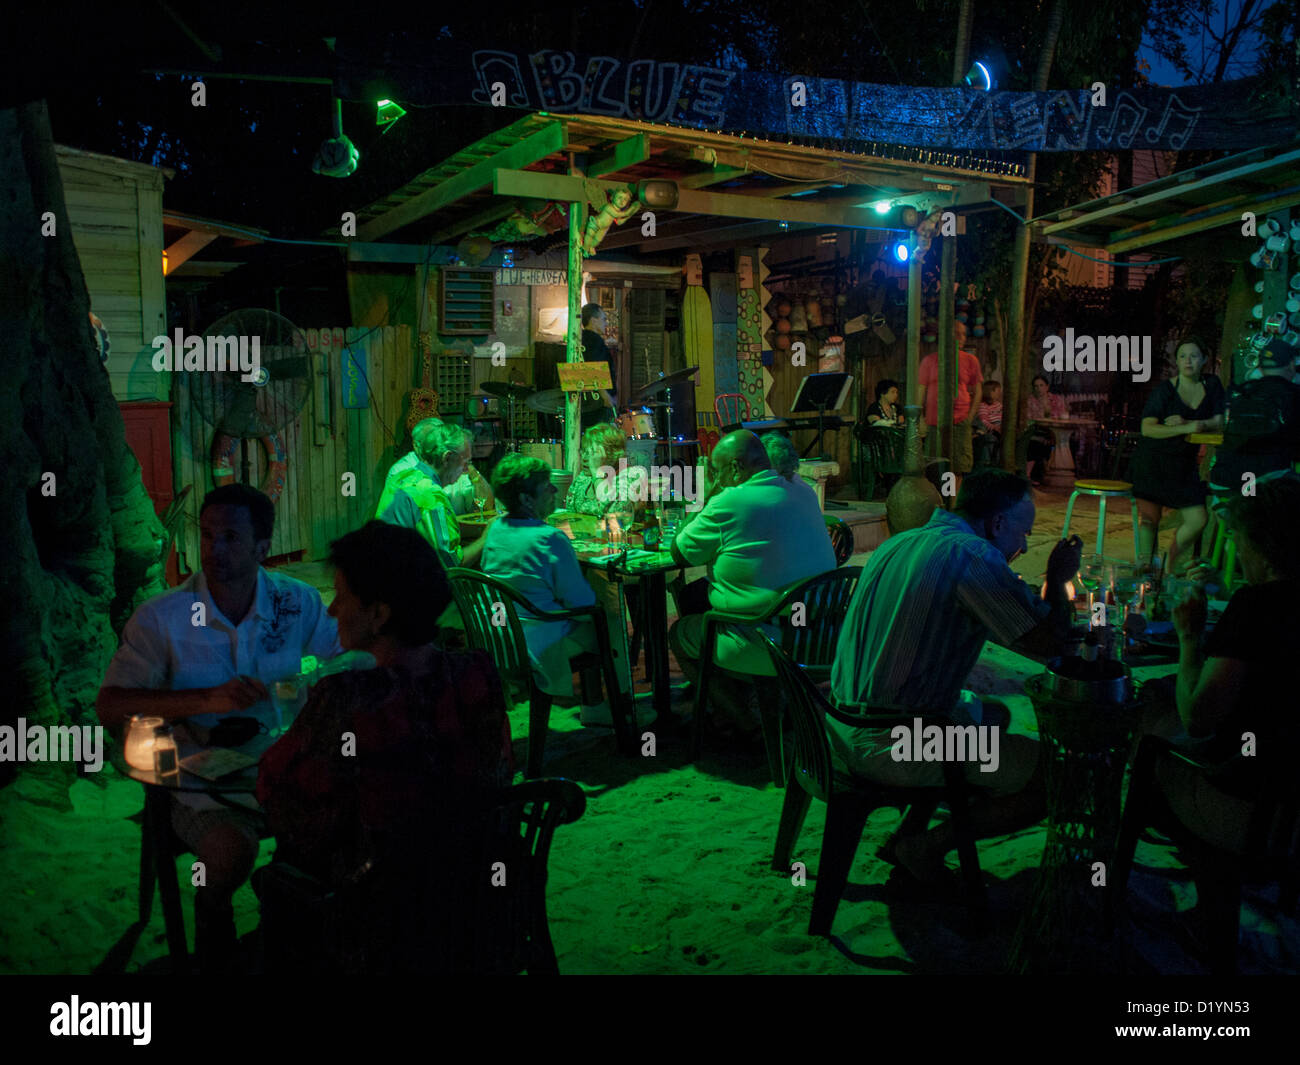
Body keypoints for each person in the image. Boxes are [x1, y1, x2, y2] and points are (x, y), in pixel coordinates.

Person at [97, 483, 342, 972]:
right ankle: (215, 944)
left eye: (231, 537)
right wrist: (206, 700)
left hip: (283, 768)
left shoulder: (295, 603)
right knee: (227, 856)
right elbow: (111, 705)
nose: (215, 550)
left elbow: (341, 667)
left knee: (351, 831)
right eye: (207, 536)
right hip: (196, 777)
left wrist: (310, 690)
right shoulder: (164, 617)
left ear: (262, 546)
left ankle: (296, 941)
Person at [256, 520, 513, 972]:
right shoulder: (476, 673)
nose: (331, 611)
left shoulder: (347, 698)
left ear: (378, 614)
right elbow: (497, 773)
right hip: (479, 900)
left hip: (381, 920)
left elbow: (281, 796)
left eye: (341, 596)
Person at [829, 468, 1082, 892]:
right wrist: (1057, 580)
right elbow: (1052, 647)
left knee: (993, 715)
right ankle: (927, 846)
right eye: (1024, 533)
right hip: (891, 740)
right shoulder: (972, 556)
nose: (1023, 545)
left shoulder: (903, 541)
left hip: (841, 721)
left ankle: (912, 831)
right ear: (997, 523)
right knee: (1058, 773)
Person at [668, 430, 836, 729]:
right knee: (696, 594)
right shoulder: (803, 490)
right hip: (822, 633)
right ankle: (756, 699)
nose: (717, 478)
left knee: (681, 632)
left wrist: (706, 497)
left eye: (718, 471)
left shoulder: (729, 501)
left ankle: (745, 723)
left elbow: (680, 552)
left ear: (735, 467)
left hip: (766, 638)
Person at [480, 454, 636, 727]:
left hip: (501, 638)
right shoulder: (549, 538)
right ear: (527, 499)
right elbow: (582, 602)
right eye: (547, 486)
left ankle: (595, 705)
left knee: (593, 618)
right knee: (610, 621)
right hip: (541, 643)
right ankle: (624, 711)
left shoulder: (495, 530)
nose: (554, 491)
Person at [1128, 337, 1226, 574]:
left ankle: (1169, 562)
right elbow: (1147, 428)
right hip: (1153, 461)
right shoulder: (1165, 390)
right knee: (1150, 520)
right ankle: (1146, 570)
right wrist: (1185, 428)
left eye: (1193, 356)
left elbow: (1219, 420)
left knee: (1198, 519)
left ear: (1204, 360)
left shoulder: (1211, 384)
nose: (1187, 361)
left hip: (1184, 465)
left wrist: (1192, 422)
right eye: (1182, 356)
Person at [375, 420, 487, 569]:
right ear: (447, 458)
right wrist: (486, 537)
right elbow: (451, 564)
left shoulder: (402, 477)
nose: (466, 469)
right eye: (465, 462)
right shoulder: (431, 496)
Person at [1208, 337, 1300, 506]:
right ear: (1292, 365)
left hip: (1222, 489)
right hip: (1263, 493)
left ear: (1260, 367)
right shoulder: (1293, 395)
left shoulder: (1240, 393)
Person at [381, 417, 494, 517]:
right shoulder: (430, 492)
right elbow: (443, 539)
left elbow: (485, 506)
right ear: (447, 458)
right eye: (432, 442)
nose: (466, 468)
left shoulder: (418, 478)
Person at [918, 321, 983, 476]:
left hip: (960, 420)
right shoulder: (930, 360)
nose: (961, 338)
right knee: (934, 465)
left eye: (963, 334)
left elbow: (977, 390)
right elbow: (921, 390)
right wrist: (920, 418)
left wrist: (970, 416)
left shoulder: (970, 360)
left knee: (959, 466)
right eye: (956, 333)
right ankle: (939, 499)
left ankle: (953, 499)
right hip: (935, 421)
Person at [565, 421, 648, 523]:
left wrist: (597, 472)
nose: (585, 458)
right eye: (584, 451)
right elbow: (571, 516)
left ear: (613, 453)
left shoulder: (633, 475)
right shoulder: (583, 478)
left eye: (594, 453)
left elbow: (616, 515)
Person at [1024, 374, 1067, 485]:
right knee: (1035, 442)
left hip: (1056, 430)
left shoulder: (1056, 399)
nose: (1039, 389)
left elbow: (1062, 414)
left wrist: (1050, 414)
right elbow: (1029, 419)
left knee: (1066, 441)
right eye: (1036, 386)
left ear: (1047, 387)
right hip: (1038, 430)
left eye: (1041, 385)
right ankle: (1029, 475)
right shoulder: (1031, 400)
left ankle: (1058, 473)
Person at [581, 303, 620, 425]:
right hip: (598, 402)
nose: (606, 323)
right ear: (593, 320)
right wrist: (606, 396)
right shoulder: (594, 340)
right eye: (603, 319)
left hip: (587, 400)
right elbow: (593, 369)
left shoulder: (581, 338)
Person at [973, 380, 1003, 469]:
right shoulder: (983, 406)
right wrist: (994, 427)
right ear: (991, 392)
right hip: (992, 429)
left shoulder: (999, 405)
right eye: (998, 390)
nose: (1000, 393)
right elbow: (984, 421)